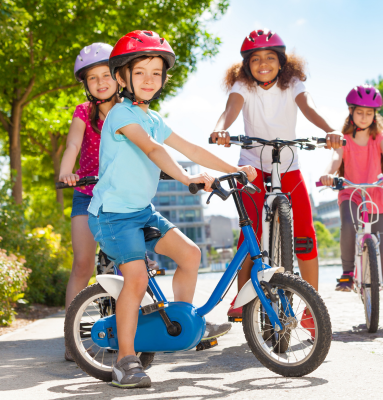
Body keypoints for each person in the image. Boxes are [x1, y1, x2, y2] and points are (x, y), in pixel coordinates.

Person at [86, 30, 257, 389]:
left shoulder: (154, 117)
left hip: (141, 211)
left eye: (156, 72)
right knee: (136, 278)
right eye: (140, 71)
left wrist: (234, 170)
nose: (149, 79)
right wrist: (185, 178)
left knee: (191, 254)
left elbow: (191, 147)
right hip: (113, 216)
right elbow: (153, 151)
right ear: (122, 77)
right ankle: (125, 361)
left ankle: (186, 322)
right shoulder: (120, 114)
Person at [210, 30, 344, 332]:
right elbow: (229, 110)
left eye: (270, 58)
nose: (263, 64)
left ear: (282, 62)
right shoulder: (242, 84)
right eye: (255, 59)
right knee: (251, 236)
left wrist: (331, 130)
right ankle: (242, 300)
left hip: (289, 168)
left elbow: (309, 107)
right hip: (252, 169)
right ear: (247, 65)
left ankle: (312, 309)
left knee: (306, 236)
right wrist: (220, 129)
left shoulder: (292, 83)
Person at [319, 85, 383, 327]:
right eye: (360, 112)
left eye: (370, 113)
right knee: (348, 224)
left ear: (375, 115)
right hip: (351, 193)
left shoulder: (380, 136)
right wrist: (327, 175)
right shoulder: (344, 138)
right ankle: (348, 273)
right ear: (350, 112)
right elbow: (336, 158)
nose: (365, 117)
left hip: (376, 195)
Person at [59, 43, 121, 362]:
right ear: (86, 84)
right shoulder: (83, 112)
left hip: (122, 196)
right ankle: (73, 338)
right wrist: (66, 171)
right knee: (83, 262)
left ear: (119, 76)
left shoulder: (129, 109)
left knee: (131, 264)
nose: (100, 82)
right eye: (92, 78)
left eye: (106, 74)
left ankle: (132, 331)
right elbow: (72, 144)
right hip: (86, 193)